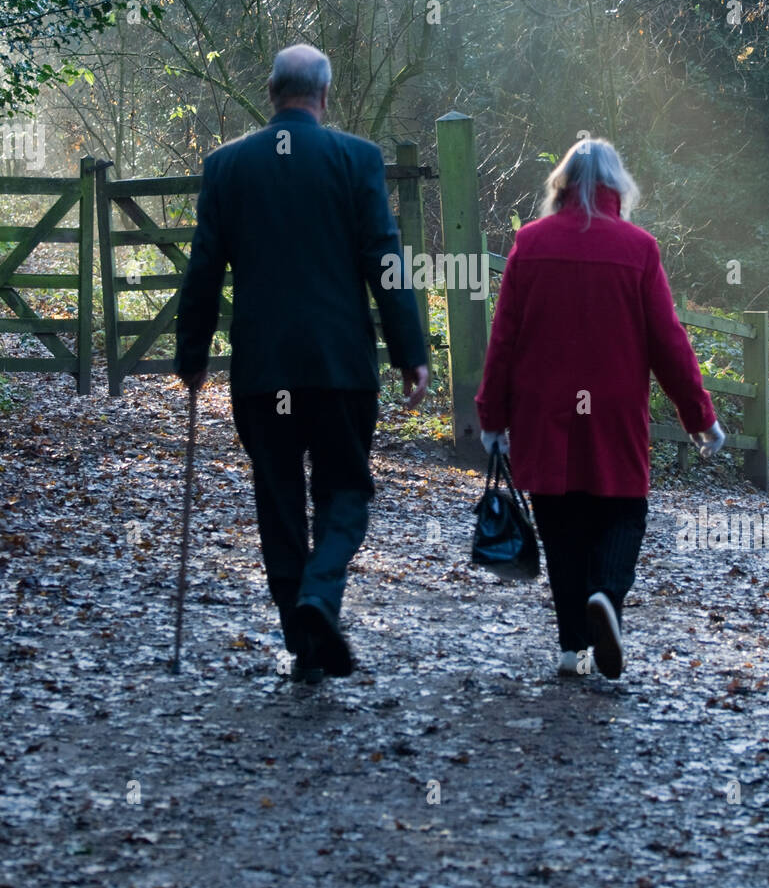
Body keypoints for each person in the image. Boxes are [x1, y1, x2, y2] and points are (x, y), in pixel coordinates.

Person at [174, 45, 429, 683]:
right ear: (324, 94)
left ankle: (302, 640)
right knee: (345, 489)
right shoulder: (357, 160)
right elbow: (385, 260)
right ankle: (320, 596)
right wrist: (411, 352)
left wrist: (192, 354)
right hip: (340, 367)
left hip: (265, 372)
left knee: (279, 499)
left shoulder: (227, 167)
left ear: (271, 92)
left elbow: (204, 267)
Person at [475, 138, 724, 681]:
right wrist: (700, 416)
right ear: (617, 186)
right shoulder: (638, 249)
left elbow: (505, 340)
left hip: (544, 414)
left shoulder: (530, 243)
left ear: (561, 184)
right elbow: (668, 342)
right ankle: (606, 598)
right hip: (613, 414)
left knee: (561, 527)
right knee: (621, 513)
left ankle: (571, 649)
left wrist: (492, 417)